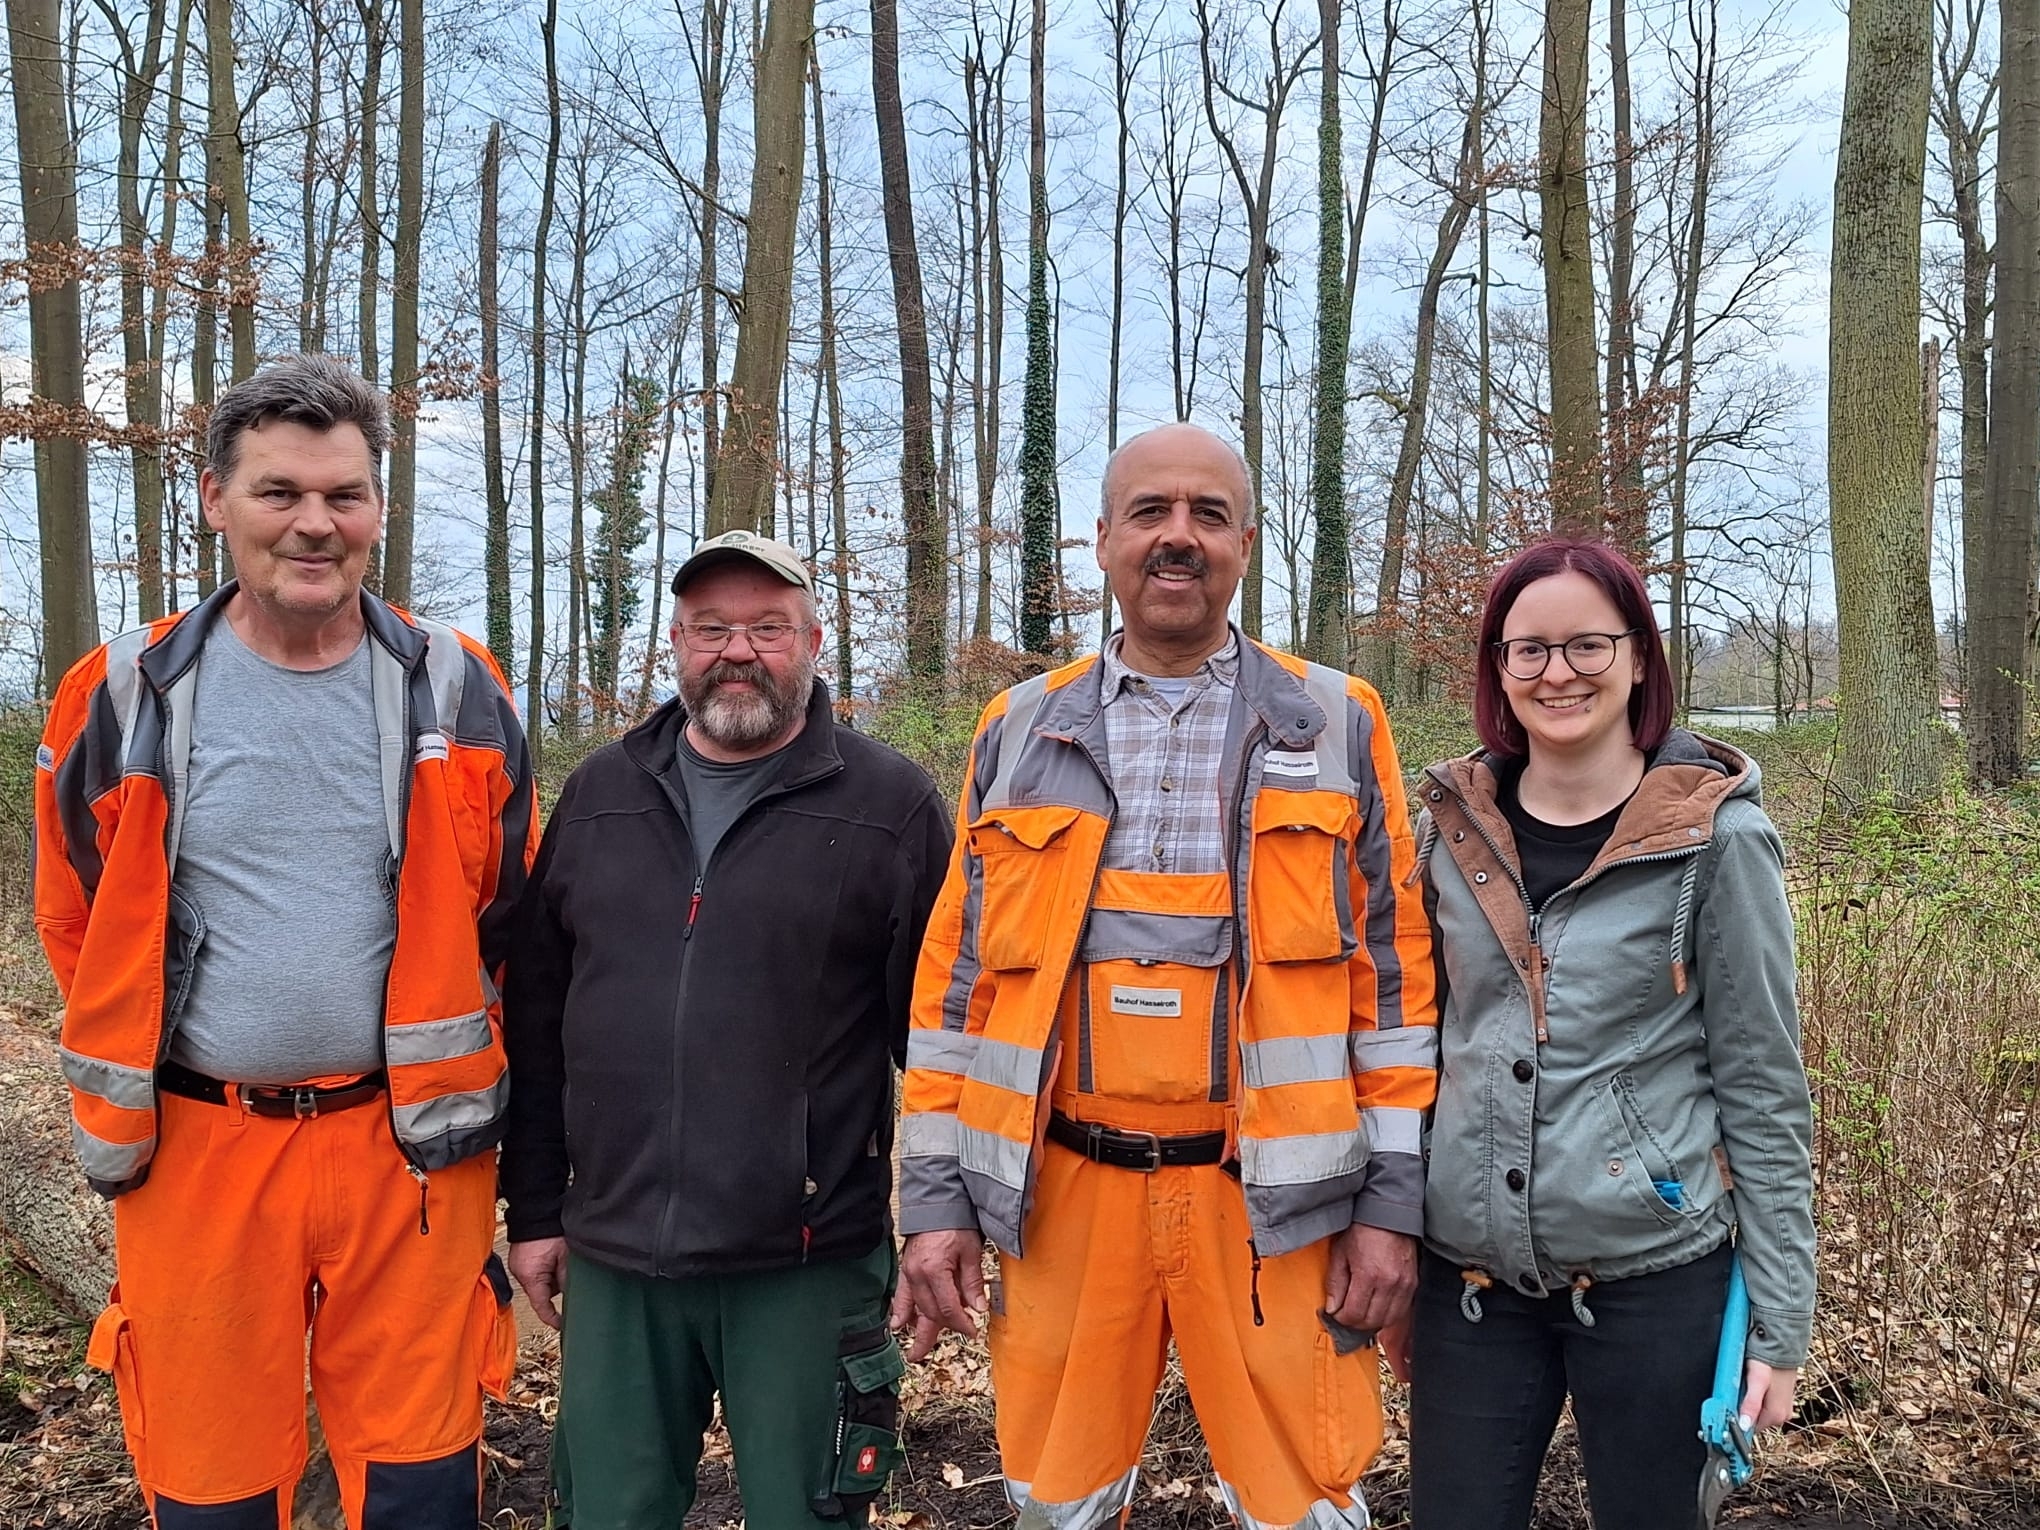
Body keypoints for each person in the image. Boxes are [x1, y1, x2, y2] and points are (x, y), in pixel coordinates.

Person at [892, 422, 1438, 1529]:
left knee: (1307, 1497)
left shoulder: (1337, 722)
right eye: (1149, 512)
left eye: (1206, 513)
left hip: (1278, 1205)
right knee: (1057, 1494)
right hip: (1063, 1198)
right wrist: (935, 1195)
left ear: (1247, 539)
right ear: (1101, 541)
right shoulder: (1017, 730)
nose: (1176, 537)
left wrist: (1391, 1205)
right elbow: (955, 997)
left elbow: (1393, 991)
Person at [33, 355, 535, 1529]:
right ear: (215, 500)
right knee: (211, 1489)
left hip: (410, 1154)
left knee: (420, 1484)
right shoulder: (123, 695)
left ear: (376, 507)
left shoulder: (455, 691)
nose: (315, 523)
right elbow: (76, 922)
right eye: (279, 492)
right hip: (200, 1155)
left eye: (343, 494)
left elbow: (512, 915)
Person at [501, 529, 953, 1529]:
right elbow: (538, 1024)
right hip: (616, 1257)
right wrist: (533, 1209)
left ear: (814, 643)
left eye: (767, 629)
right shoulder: (600, 797)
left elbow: (943, 1041)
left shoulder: (890, 807)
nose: (737, 651)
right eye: (711, 629)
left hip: (804, 1258)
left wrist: (940, 1213)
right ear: (675, 645)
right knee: (605, 1515)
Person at [1405, 537, 1816, 1529]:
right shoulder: (1450, 830)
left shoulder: (1717, 839)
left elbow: (1764, 1087)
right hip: (1468, 1287)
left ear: (1639, 656)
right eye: (1528, 650)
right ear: (1499, 670)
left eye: (1588, 644)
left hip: (1655, 1281)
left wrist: (1782, 1326)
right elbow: (1411, 1047)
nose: (1559, 673)